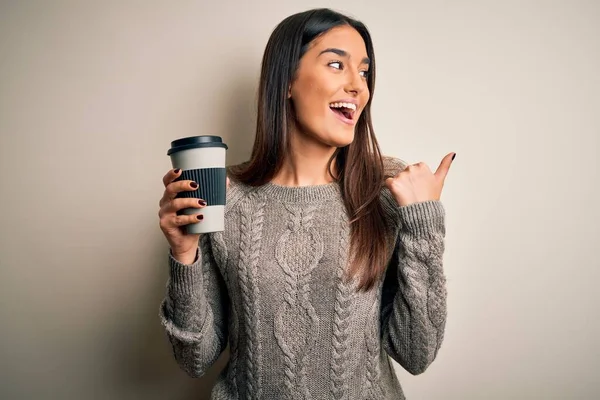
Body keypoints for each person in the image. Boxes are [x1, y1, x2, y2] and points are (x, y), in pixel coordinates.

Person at [158, 8, 454, 400]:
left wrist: (423, 225)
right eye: (337, 65)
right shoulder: (224, 194)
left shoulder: (386, 190)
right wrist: (183, 254)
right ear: (287, 83)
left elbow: (417, 354)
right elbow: (195, 358)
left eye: (364, 73)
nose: (358, 87)